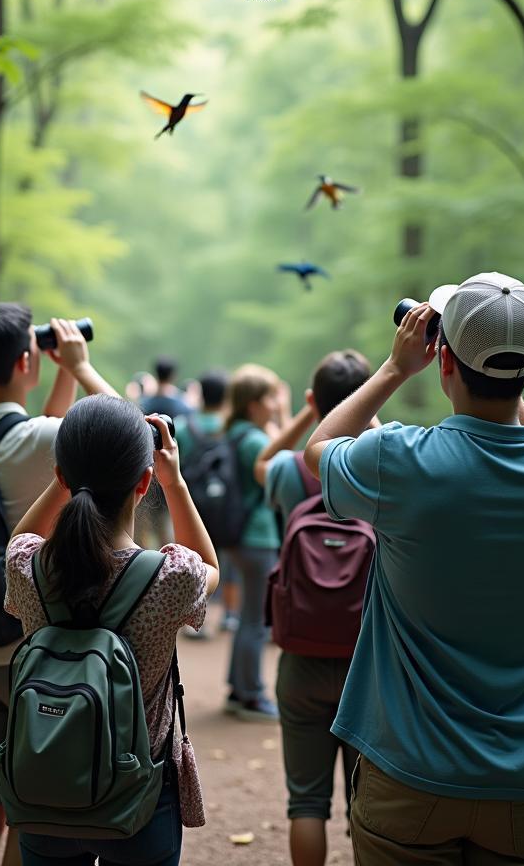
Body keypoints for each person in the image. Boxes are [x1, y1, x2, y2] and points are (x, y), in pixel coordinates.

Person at [304, 273, 524, 866]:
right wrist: (506, 377)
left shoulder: (401, 461)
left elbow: (317, 450)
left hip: (407, 775)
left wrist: (393, 369)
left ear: (443, 362)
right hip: (518, 789)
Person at [0, 305, 117, 866]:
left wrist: (55, 371)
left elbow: (38, 443)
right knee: (29, 815)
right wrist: (80, 366)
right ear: (24, 359)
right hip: (27, 655)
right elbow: (123, 428)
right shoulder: (42, 437)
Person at [3, 396, 220, 866]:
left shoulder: (28, 568)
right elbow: (210, 566)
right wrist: (175, 481)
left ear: (60, 478)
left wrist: (67, 478)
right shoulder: (172, 576)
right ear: (144, 482)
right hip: (138, 796)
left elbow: (21, 538)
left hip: (44, 788)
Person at [253, 350, 372, 866]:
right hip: (365, 666)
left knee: (305, 803)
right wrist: (371, 409)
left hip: (300, 662)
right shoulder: (382, 466)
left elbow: (261, 462)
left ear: (312, 401)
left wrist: (307, 413)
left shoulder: (288, 472)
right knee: (368, 808)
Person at [223, 363, 288, 721]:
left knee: (247, 616)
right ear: (253, 403)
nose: (274, 404)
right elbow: (286, 469)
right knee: (255, 621)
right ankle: (251, 695)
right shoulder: (256, 440)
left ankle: (238, 687)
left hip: (240, 536)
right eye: (269, 398)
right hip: (258, 536)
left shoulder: (236, 433)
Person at [174, 370, 240, 635]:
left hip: (192, 501)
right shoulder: (232, 427)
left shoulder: (183, 425)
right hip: (226, 503)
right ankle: (229, 615)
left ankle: (193, 620)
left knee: (194, 556)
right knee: (227, 556)